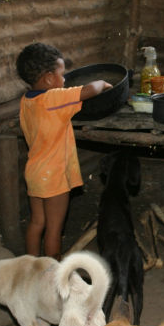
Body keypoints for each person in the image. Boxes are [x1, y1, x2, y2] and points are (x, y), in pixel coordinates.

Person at [16, 42, 112, 259]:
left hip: (35, 172)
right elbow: (90, 90)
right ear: (49, 78)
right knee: (54, 230)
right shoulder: (54, 98)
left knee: (37, 223)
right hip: (54, 176)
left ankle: (31, 268)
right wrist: (103, 83)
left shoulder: (26, 101)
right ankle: (53, 275)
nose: (65, 80)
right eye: (62, 74)